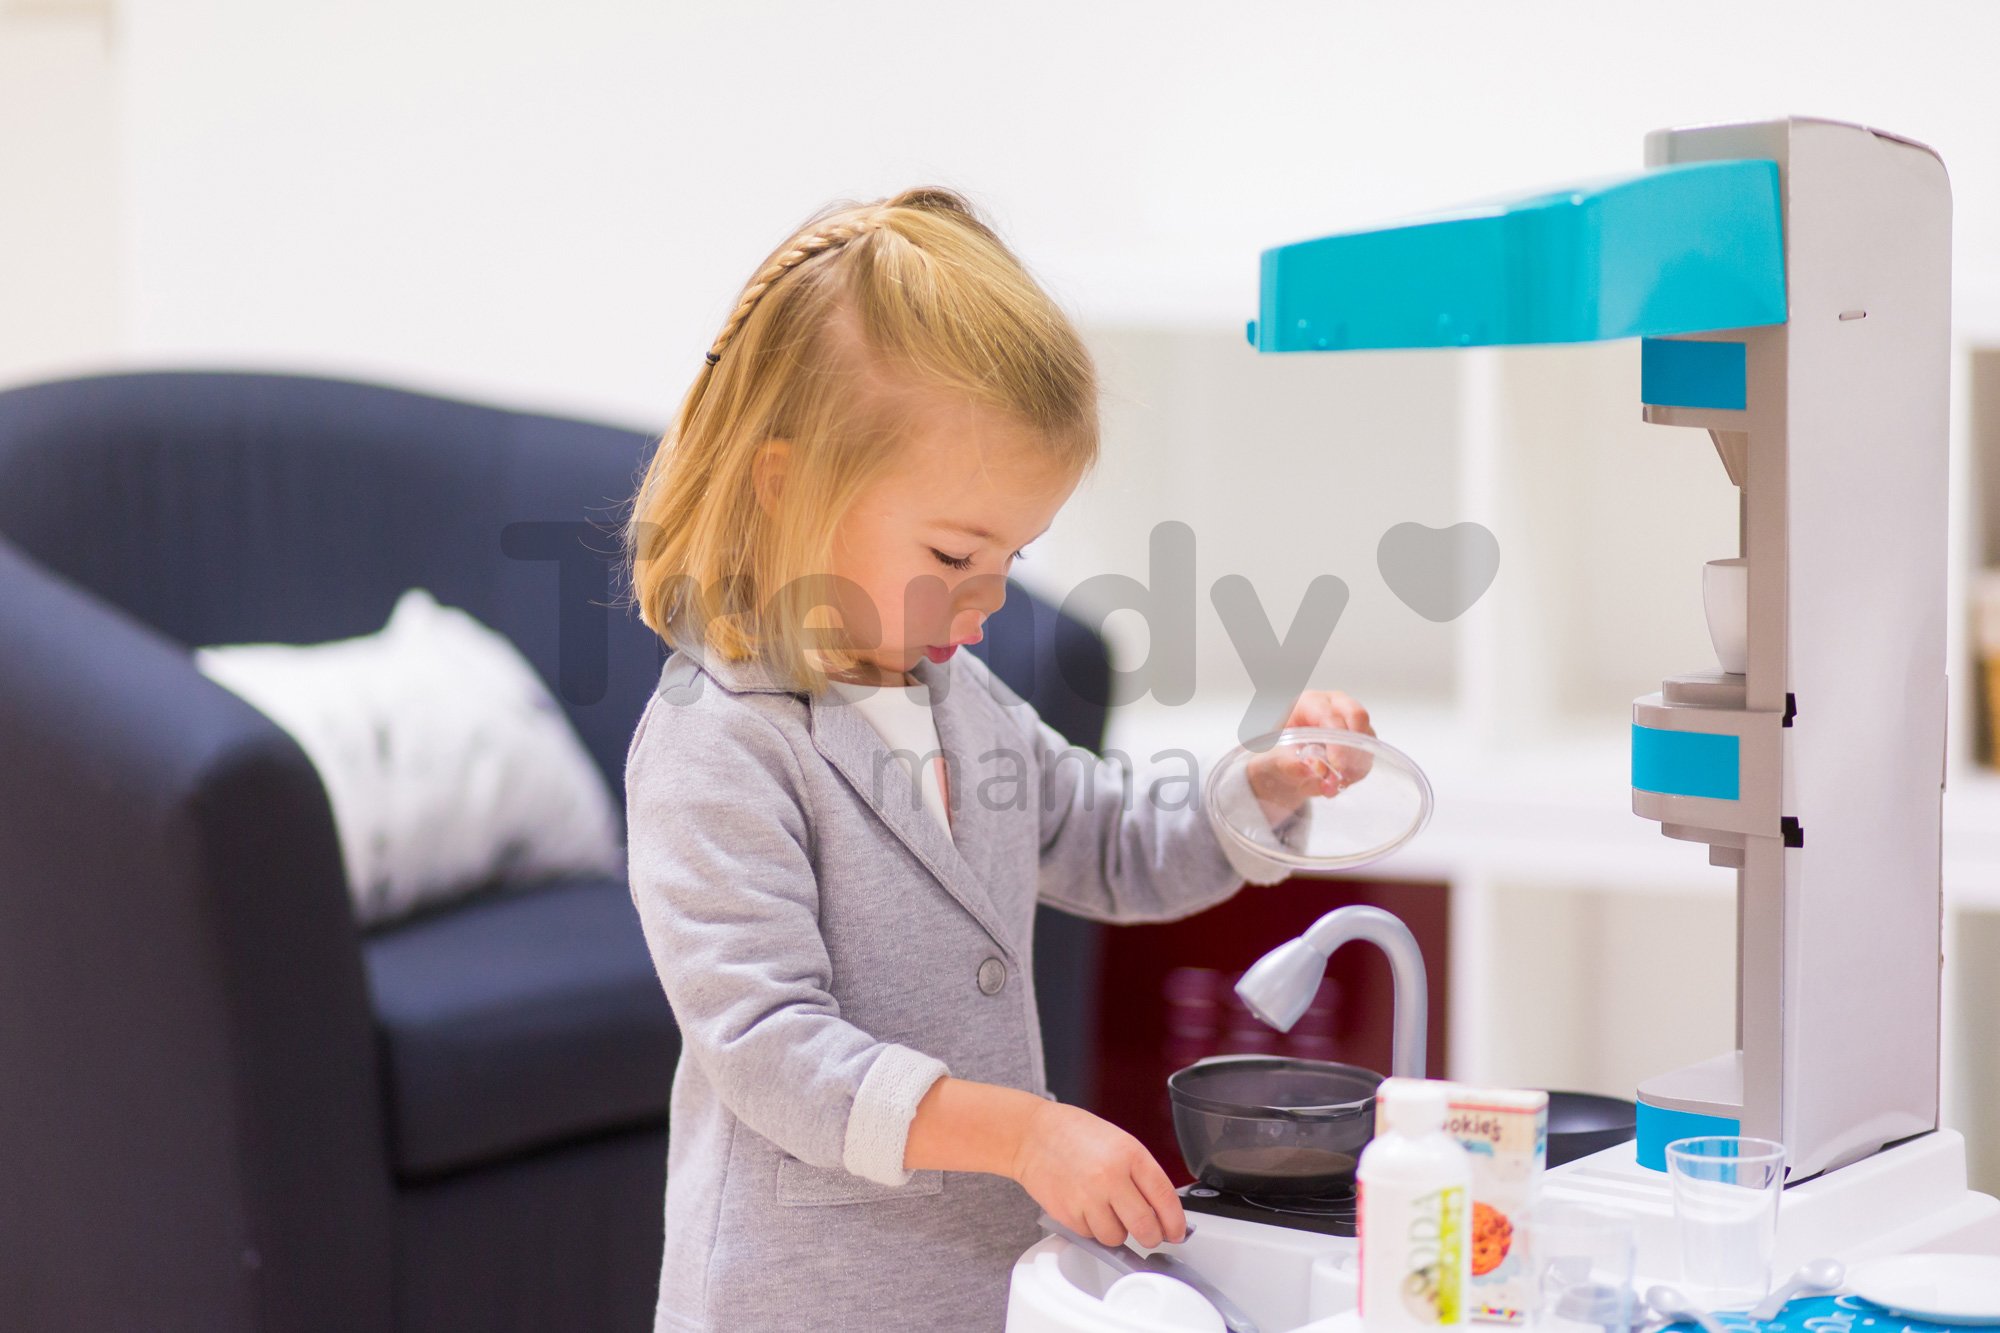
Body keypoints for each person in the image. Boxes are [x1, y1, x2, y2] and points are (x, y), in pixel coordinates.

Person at [618, 186, 1374, 1332]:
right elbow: (770, 1050)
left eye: (1011, 556)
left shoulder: (953, 694)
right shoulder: (718, 740)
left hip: (979, 1282)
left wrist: (1259, 786)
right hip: (795, 1300)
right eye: (952, 554)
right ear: (786, 485)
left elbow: (1111, 844)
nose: (989, 598)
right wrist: (1023, 1132)